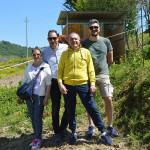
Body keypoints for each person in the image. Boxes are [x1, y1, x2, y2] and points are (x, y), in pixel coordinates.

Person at [57, 32, 112, 145]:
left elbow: (91, 70)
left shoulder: (86, 52)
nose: (74, 41)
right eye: (72, 39)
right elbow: (60, 71)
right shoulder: (64, 54)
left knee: (92, 108)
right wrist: (60, 84)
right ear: (69, 41)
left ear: (79, 40)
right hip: (68, 86)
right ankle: (73, 133)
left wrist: (92, 84)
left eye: (76, 39)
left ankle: (103, 132)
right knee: (70, 110)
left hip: (83, 85)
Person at [81, 19, 118, 138]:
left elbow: (110, 59)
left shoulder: (106, 41)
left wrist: (104, 70)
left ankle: (110, 126)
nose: (94, 29)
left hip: (103, 75)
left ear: (99, 28)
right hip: (88, 77)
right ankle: (91, 126)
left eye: (95, 27)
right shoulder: (85, 43)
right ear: (88, 29)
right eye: (91, 27)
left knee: (108, 99)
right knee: (90, 102)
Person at [17, 48, 52, 150]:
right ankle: (38, 138)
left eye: (38, 54)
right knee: (32, 118)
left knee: (37, 117)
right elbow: (24, 82)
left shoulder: (45, 67)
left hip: (40, 96)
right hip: (29, 97)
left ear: (40, 55)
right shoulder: (28, 67)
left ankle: (37, 138)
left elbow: (48, 84)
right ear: (31, 56)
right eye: (34, 55)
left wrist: (46, 97)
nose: (36, 56)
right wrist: (20, 96)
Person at [42, 30, 68, 143]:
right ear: (48, 40)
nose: (52, 40)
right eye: (50, 39)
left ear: (58, 38)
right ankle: (57, 132)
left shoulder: (66, 48)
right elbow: (43, 68)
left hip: (66, 80)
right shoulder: (45, 52)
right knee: (55, 108)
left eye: (54, 38)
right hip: (53, 82)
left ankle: (63, 128)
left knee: (69, 106)